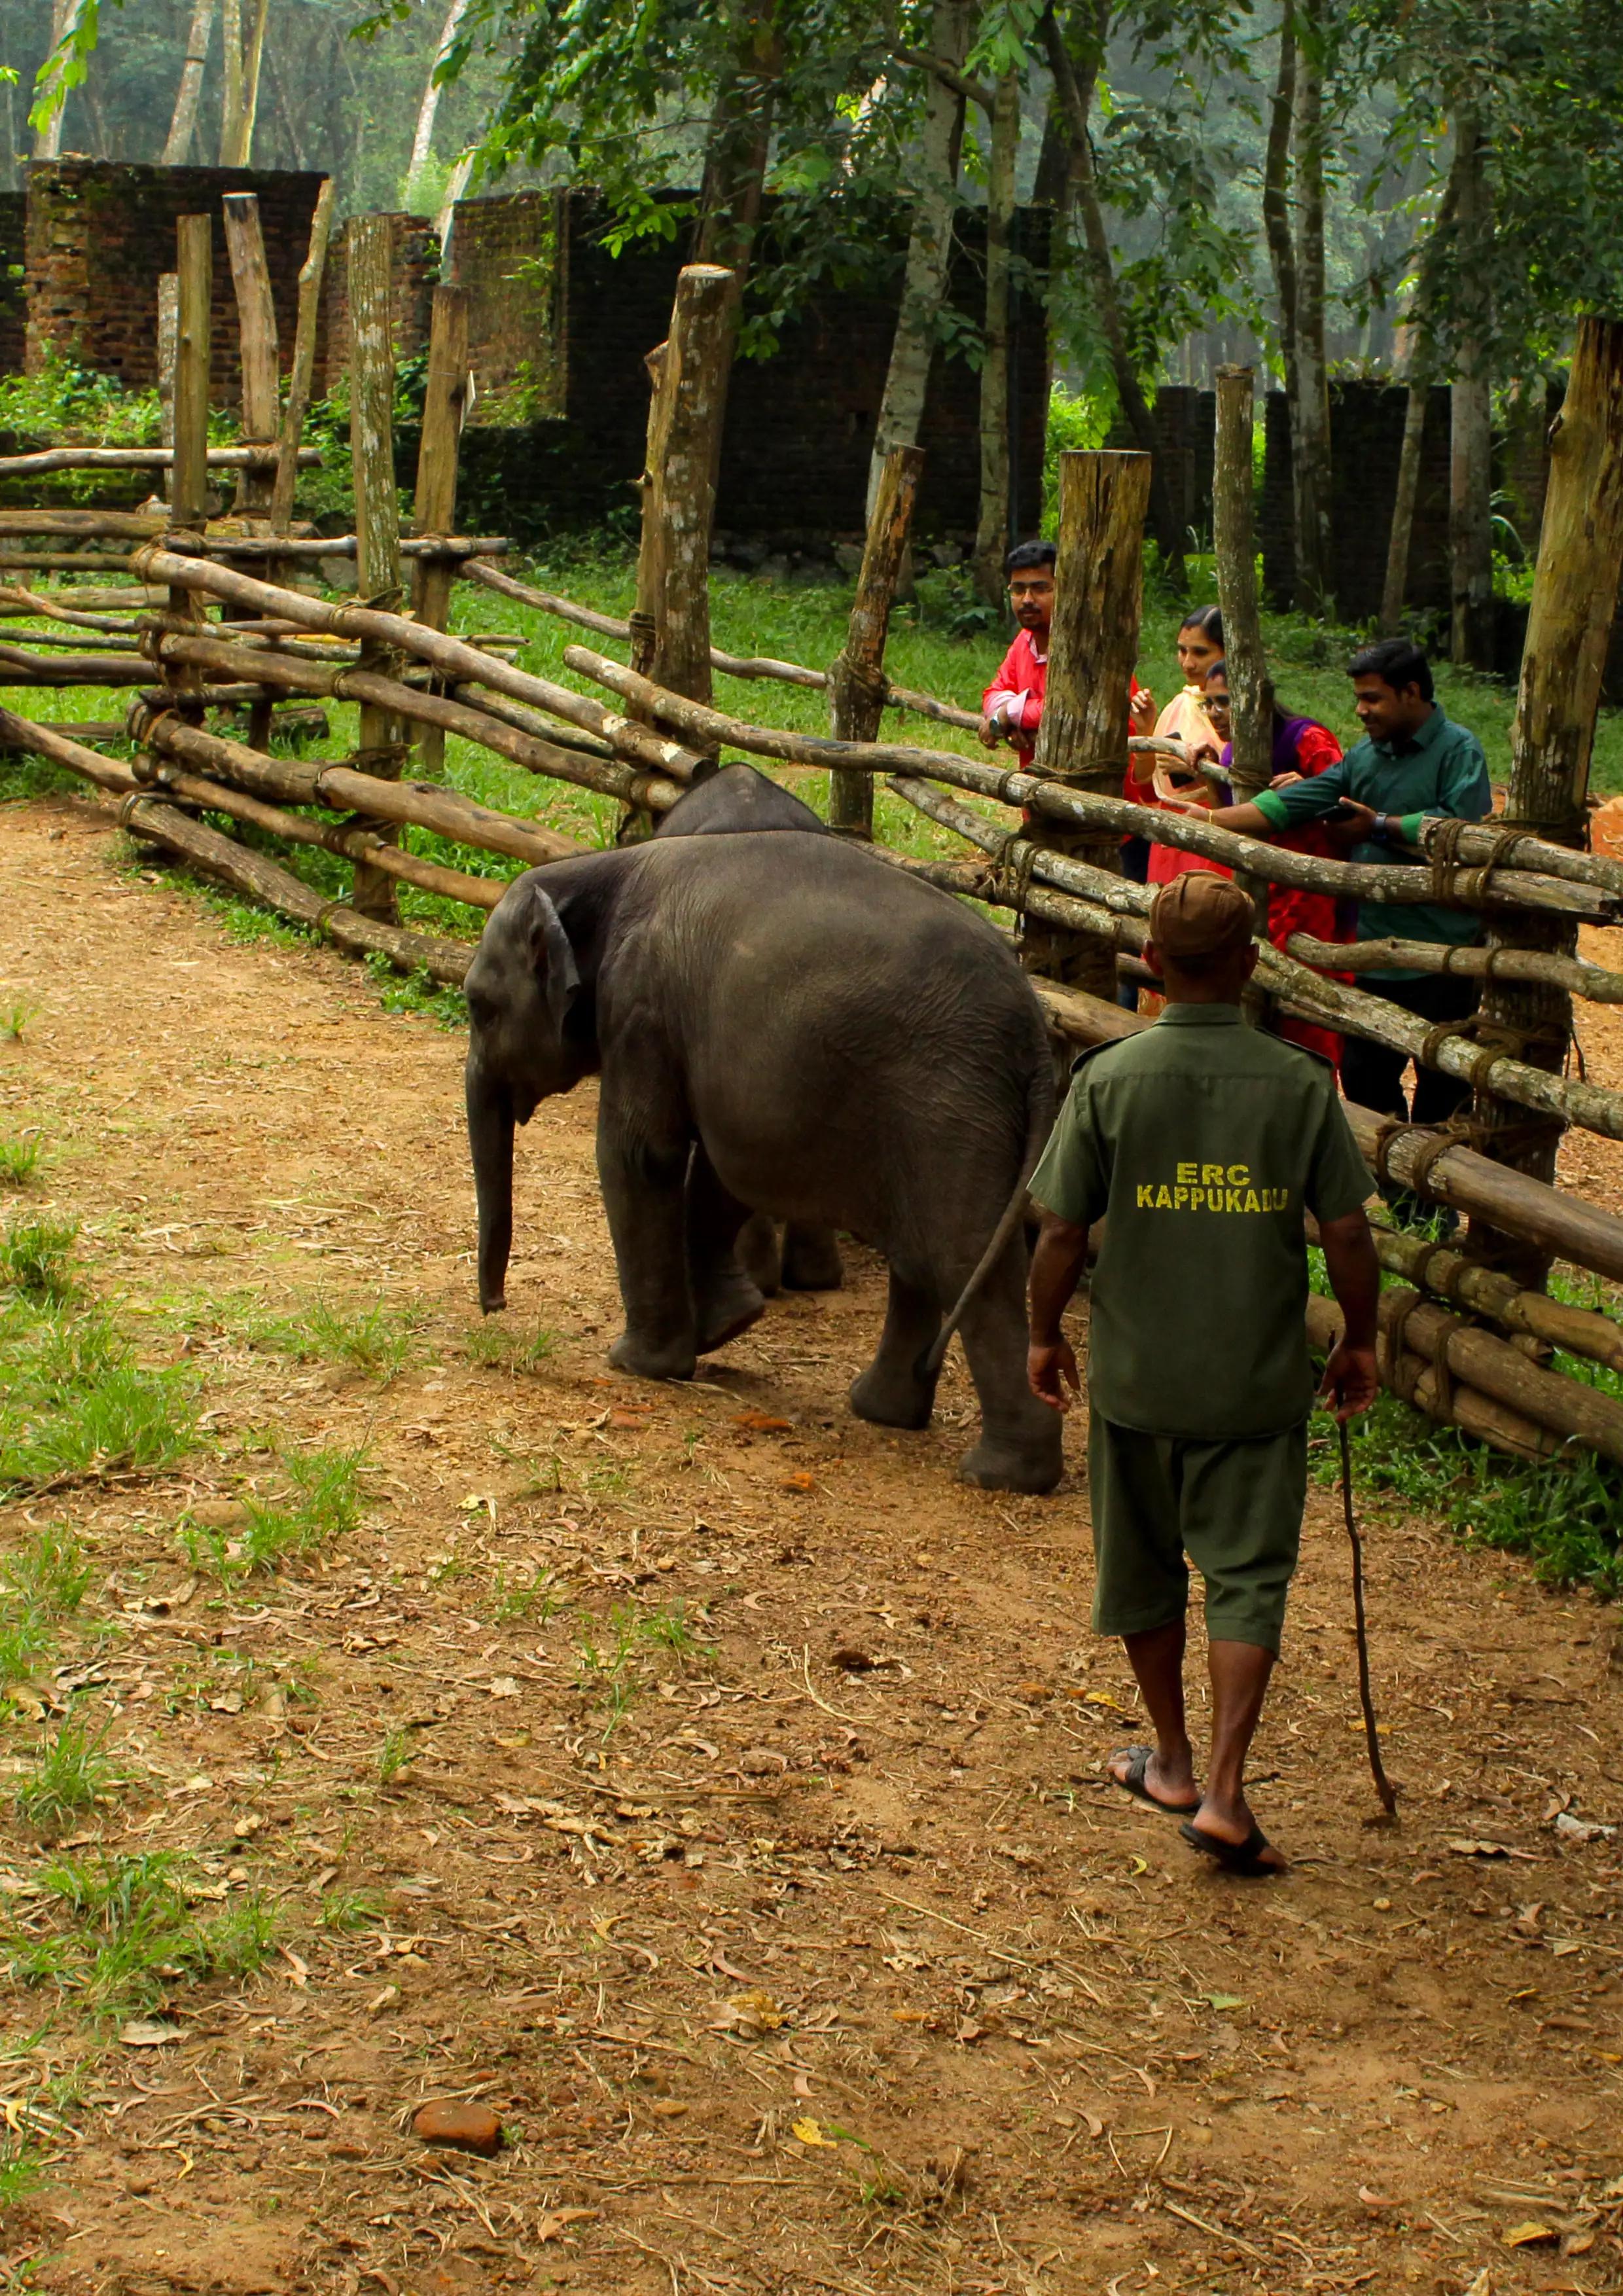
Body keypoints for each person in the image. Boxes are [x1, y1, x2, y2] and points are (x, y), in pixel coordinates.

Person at [1027, 873, 1379, 1876]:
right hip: (1254, 1383)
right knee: (1246, 1580)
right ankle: (1225, 1792)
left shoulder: (1110, 1077)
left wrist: (1043, 1335)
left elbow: (1062, 1228)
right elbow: (1346, 1230)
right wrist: (1358, 1338)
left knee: (1141, 1569)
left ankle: (1171, 1761)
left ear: (1151, 960)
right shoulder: (1299, 1083)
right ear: (1249, 964)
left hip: (1140, 1379)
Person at [1201, 638, 1491, 1124]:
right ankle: (1395, 1190)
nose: (1360, 711)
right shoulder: (1365, 755)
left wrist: (1379, 826)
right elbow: (1303, 799)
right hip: (1374, 951)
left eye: (1372, 698)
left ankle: (1431, 1202)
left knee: (1444, 1087)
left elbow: (1462, 828)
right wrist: (1208, 821)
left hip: (1445, 954)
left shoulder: (1459, 750)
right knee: (1365, 1081)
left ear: (1412, 693)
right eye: (1359, 698)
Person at [1199, 659, 1350, 1068]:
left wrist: (1310, 791)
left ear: (1257, 702)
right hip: (1259, 889)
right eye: (1209, 704)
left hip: (1311, 890)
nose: (1216, 714)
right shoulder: (1234, 752)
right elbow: (1235, 821)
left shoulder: (1307, 740)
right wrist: (1214, 773)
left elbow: (1346, 808)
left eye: (1226, 702)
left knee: (1307, 1011)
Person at [980, 539, 1154, 764]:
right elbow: (993, 694)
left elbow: (1067, 709)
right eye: (1018, 589)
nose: (1027, 600)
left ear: (1067, 590)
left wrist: (1006, 715)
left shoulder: (1091, 646)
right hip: (1040, 783)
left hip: (1104, 787)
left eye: (1041, 589)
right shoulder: (1025, 641)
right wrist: (1013, 722)